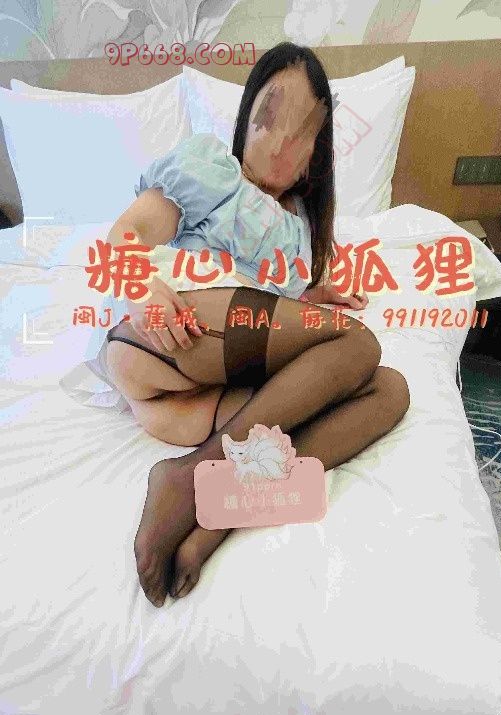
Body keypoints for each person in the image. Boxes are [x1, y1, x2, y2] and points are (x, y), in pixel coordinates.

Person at [98, 42, 410, 607]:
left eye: (300, 132)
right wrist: (143, 287)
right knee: (358, 343)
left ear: (316, 153)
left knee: (390, 390)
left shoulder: (299, 227)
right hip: (172, 336)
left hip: (209, 395)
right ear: (246, 118)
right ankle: (190, 477)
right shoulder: (211, 169)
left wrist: (311, 295)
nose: (280, 143)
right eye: (271, 118)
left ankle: (221, 511)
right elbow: (128, 234)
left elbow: (266, 311)